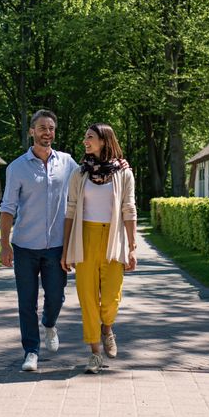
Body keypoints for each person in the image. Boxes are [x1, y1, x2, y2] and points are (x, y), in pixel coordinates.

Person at [0, 109, 79, 372]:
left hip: (57, 246)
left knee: (56, 296)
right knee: (26, 301)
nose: (47, 133)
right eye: (42, 128)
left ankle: (49, 324)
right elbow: (8, 207)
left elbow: (89, 179)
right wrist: (4, 243)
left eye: (51, 128)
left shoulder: (68, 163)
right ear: (32, 131)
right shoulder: (17, 168)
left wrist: (118, 165)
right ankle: (31, 351)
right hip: (25, 246)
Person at [61, 123, 137, 374]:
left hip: (113, 238)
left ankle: (107, 328)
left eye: (90, 137)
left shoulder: (123, 173)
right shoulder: (79, 174)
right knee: (87, 298)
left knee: (111, 298)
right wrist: (66, 249)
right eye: (85, 137)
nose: (85, 141)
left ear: (104, 141)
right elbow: (70, 210)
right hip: (85, 239)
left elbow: (129, 209)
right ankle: (94, 353)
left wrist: (132, 247)